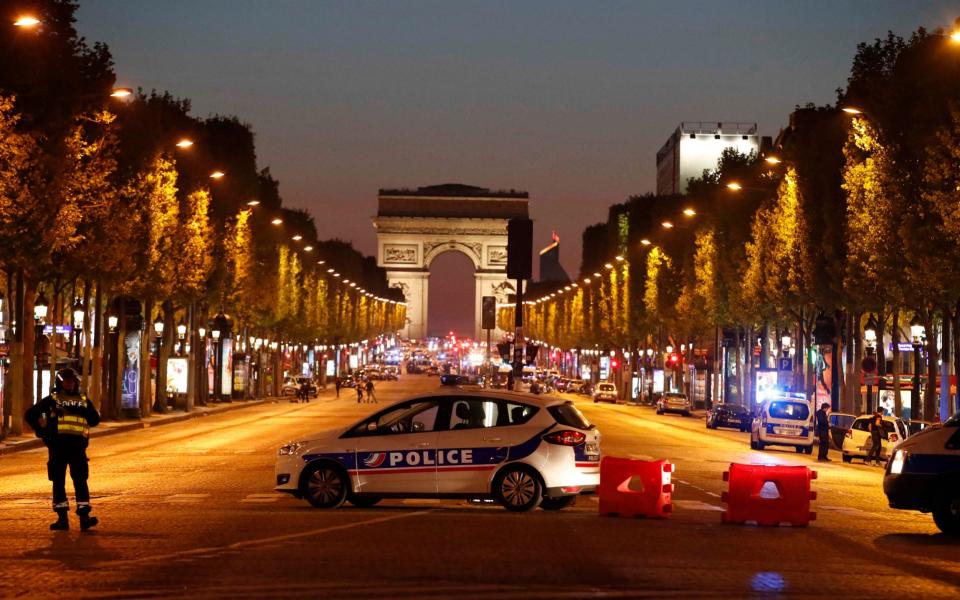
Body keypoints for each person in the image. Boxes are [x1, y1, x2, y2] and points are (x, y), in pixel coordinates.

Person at [24, 367, 101, 531]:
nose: (69, 384)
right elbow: (30, 414)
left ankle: (84, 517)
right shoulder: (52, 400)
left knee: (80, 481)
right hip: (58, 447)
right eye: (66, 381)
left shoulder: (83, 400)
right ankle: (62, 519)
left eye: (72, 381)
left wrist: (84, 411)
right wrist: (42, 431)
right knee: (58, 482)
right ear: (60, 383)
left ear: (76, 382)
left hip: (77, 448)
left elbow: (94, 420)